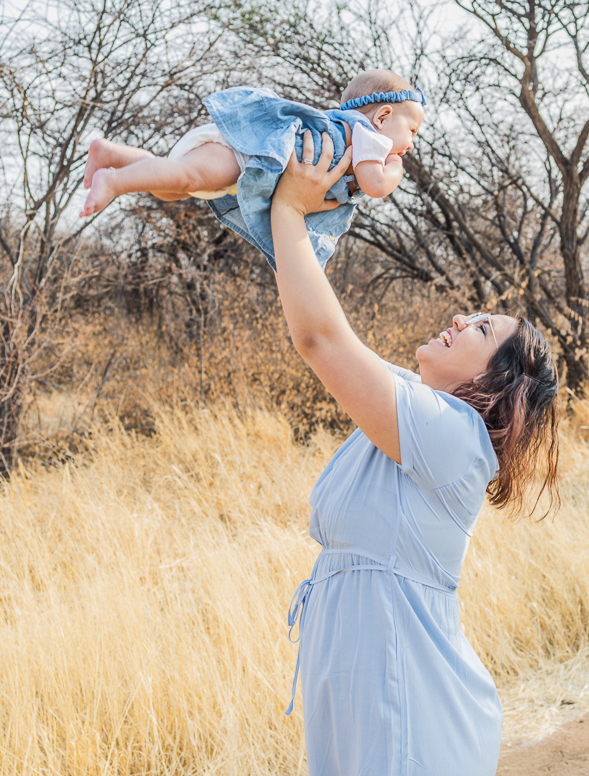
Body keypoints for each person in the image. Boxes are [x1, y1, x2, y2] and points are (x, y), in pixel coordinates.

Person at [271, 130, 560, 776]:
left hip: (407, 711)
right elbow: (323, 322)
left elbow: (319, 339)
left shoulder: (452, 438)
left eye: (480, 329)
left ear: (495, 383)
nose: (459, 318)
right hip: (361, 698)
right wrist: (305, 208)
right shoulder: (412, 409)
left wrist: (288, 212)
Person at [80, 68, 424, 269]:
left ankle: (111, 153)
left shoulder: (351, 130)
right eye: (411, 132)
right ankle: (113, 180)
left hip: (242, 163)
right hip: (247, 153)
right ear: (382, 117)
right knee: (185, 177)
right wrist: (394, 167)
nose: (410, 144)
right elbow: (375, 184)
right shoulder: (368, 138)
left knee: (171, 185)